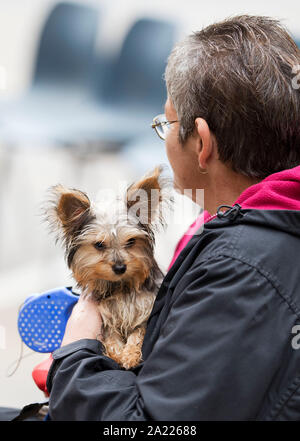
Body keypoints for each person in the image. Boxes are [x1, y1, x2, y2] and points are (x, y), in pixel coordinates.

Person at [18, 14, 300, 420]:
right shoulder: (246, 225)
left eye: (166, 122)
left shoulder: (240, 271)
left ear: (201, 143)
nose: (163, 134)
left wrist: (78, 351)